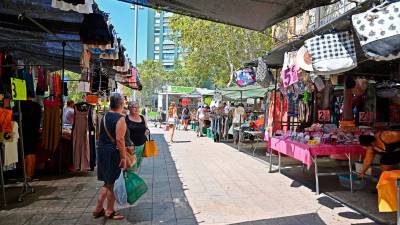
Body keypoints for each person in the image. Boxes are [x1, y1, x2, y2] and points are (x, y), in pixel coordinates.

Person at [93, 93, 128, 220]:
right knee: (112, 183)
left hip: (102, 151)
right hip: (112, 153)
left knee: (107, 182)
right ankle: (109, 211)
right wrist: (123, 158)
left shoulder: (105, 116)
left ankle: (98, 209)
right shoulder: (120, 119)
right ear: (121, 104)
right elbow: (120, 140)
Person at [13, 95, 41, 181]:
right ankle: (31, 173)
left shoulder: (21, 106)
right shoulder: (37, 106)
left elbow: (15, 118)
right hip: (35, 131)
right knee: (32, 153)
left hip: (26, 132)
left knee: (27, 153)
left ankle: (27, 175)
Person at [126, 101, 149, 170]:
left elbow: (146, 127)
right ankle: (130, 180)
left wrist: (147, 130)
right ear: (129, 108)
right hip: (130, 147)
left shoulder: (142, 118)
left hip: (141, 146)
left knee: (137, 166)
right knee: (130, 166)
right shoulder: (125, 118)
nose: (136, 109)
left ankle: (132, 179)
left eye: (138, 107)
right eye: (134, 107)